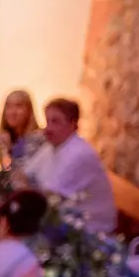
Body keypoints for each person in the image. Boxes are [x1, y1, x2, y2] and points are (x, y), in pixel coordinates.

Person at [22, 98, 117, 234]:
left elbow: (48, 196)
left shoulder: (80, 154)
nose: (48, 129)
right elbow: (24, 175)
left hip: (90, 232)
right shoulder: (51, 146)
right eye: (47, 121)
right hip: (60, 220)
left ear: (73, 124)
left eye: (55, 122)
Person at [0, 89, 41, 171]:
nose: (12, 112)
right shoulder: (2, 139)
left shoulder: (38, 140)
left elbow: (22, 176)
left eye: (18, 106)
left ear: (29, 110)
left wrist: (6, 153)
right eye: (8, 107)